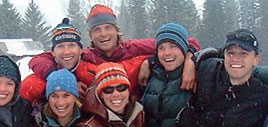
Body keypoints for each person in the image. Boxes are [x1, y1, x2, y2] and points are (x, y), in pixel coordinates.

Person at [28, 4, 199, 91]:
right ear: (91, 36)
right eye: (97, 30)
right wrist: (60, 77)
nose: (103, 34)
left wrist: (190, 58)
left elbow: (184, 40)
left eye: (108, 27)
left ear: (117, 31)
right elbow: (40, 59)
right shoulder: (85, 55)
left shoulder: (133, 48)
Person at [142, 23, 194, 127]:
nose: (167, 53)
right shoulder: (151, 75)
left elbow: (219, 56)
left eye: (173, 46)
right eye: (161, 48)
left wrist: (193, 57)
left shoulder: (196, 75)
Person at [72, 62, 145, 127]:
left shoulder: (140, 115)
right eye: (108, 90)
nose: (116, 94)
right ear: (101, 94)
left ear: (129, 90)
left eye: (121, 88)